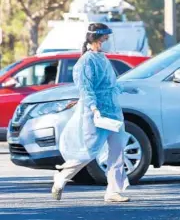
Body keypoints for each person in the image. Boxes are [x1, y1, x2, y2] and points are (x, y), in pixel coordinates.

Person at [51, 23, 130, 202]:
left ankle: (113, 191)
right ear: (97, 38)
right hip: (95, 114)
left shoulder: (103, 59)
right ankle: (62, 177)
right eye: (106, 38)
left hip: (113, 112)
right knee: (88, 151)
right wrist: (94, 108)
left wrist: (126, 88)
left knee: (117, 151)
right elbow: (86, 89)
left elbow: (111, 84)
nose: (108, 41)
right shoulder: (85, 62)